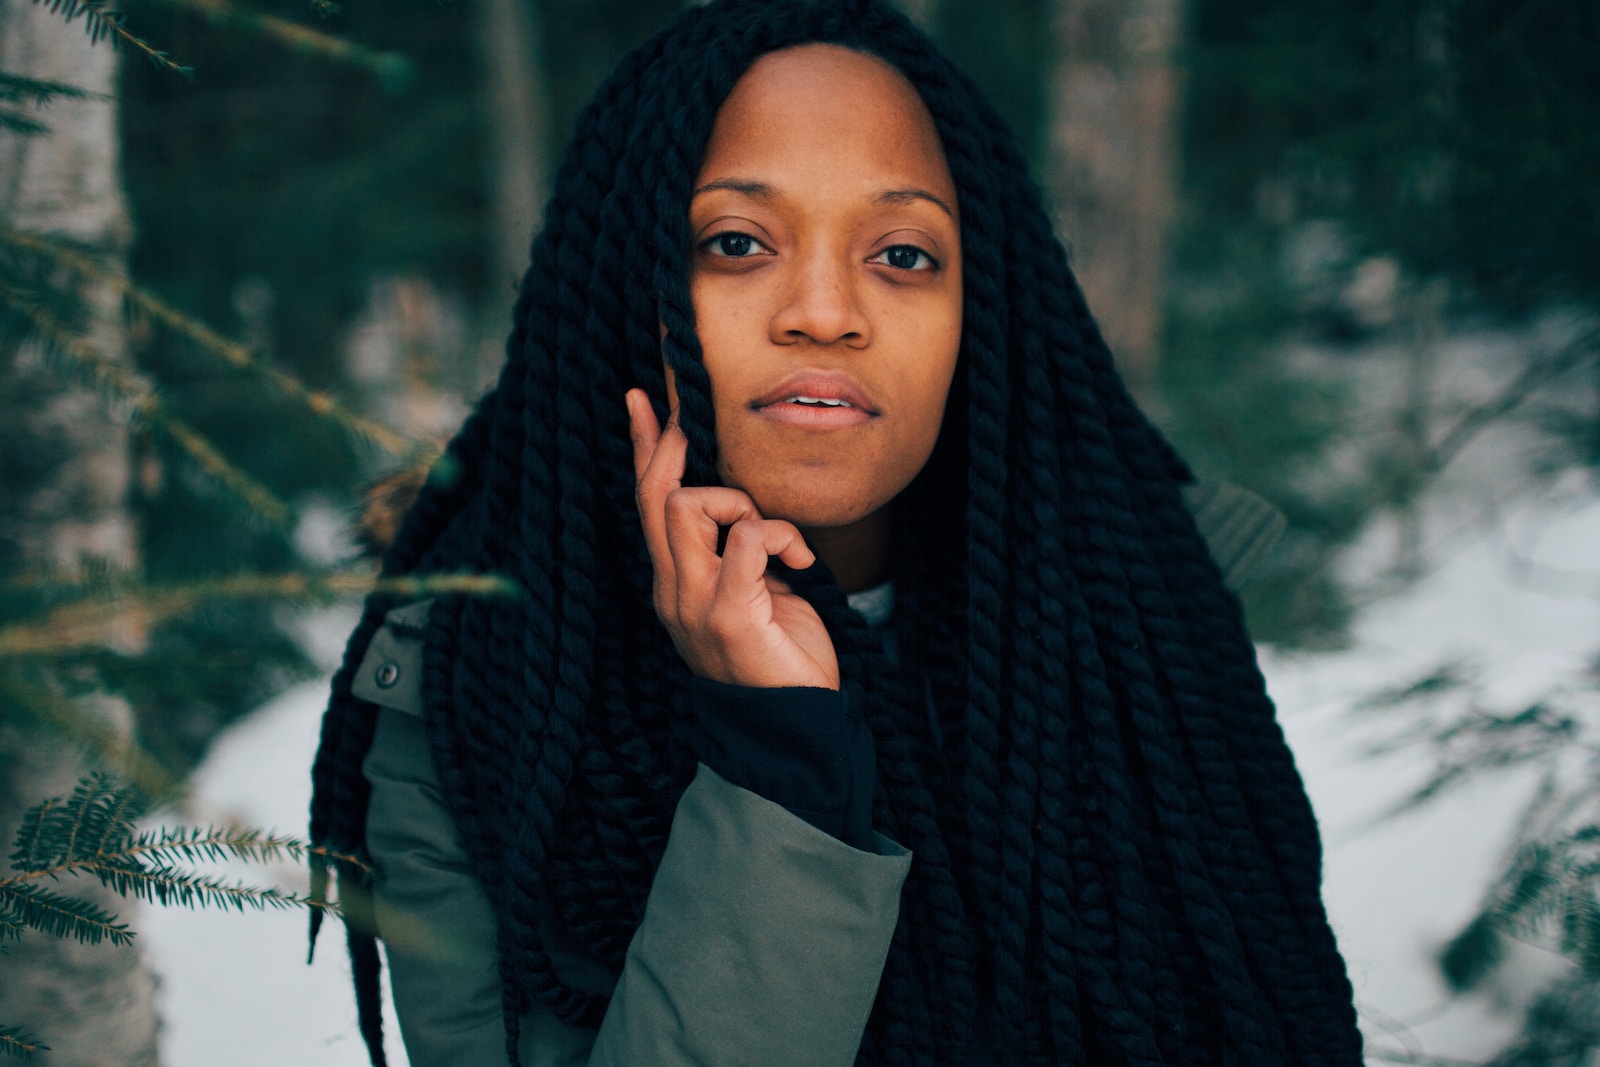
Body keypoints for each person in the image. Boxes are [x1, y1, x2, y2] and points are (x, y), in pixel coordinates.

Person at [309, 1, 1364, 1064]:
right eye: (736, 242)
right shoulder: (473, 693)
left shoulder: (1142, 622)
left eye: (903, 254)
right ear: (622, 288)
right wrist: (778, 757)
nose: (823, 310)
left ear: (981, 312)